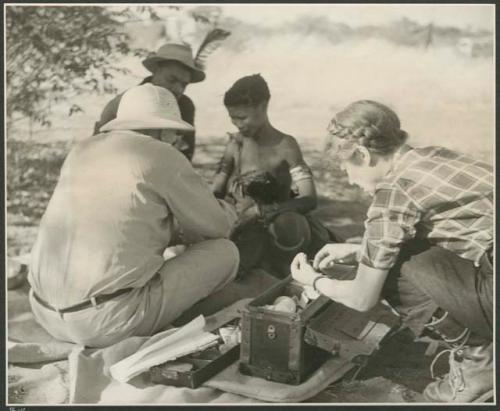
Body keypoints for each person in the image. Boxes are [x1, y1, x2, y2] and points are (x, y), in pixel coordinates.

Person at [290, 100, 493, 403]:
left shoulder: (392, 195)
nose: (349, 180)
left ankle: (481, 361)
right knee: (397, 255)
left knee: (391, 271)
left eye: (347, 168)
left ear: (362, 154)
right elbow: (454, 233)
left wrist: (315, 281)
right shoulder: (431, 156)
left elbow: (362, 298)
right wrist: (361, 250)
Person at [28, 83, 239, 348]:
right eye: (173, 132)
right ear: (159, 127)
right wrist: (234, 208)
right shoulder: (160, 154)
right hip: (105, 323)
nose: (177, 140)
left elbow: (127, 223)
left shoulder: (81, 150)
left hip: (43, 312)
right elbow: (217, 227)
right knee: (226, 252)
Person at [212, 74, 337, 277]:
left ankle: (286, 273)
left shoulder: (285, 145)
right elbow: (216, 188)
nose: (237, 124)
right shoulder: (236, 143)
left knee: (290, 225)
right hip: (238, 222)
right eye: (232, 118)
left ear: (263, 106)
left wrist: (260, 212)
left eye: (242, 117)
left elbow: (309, 199)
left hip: (276, 225)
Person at [93, 43, 204, 161]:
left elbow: (186, 154)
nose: (178, 89)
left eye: (183, 84)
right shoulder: (125, 102)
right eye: (171, 80)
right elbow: (96, 149)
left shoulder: (185, 105)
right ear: (156, 70)